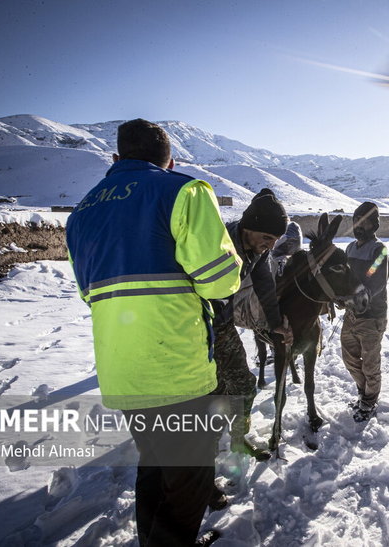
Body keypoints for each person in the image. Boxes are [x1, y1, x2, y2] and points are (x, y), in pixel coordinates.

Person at [65, 119, 242, 546]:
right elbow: (219, 280)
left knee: (155, 463)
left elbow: (88, 293)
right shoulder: (183, 191)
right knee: (191, 480)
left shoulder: (81, 213)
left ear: (115, 159)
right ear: (170, 161)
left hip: (122, 371)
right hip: (176, 367)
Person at [211, 189, 292, 459]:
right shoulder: (217, 241)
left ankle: (237, 437)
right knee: (208, 391)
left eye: (276, 240)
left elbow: (265, 285)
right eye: (267, 237)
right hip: (192, 325)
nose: (271, 245)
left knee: (243, 384)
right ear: (248, 227)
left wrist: (275, 322)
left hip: (221, 323)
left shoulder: (257, 250)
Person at [341, 202, 389, 421]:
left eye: (365, 221)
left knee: (370, 364)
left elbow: (376, 279)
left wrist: (360, 297)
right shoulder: (350, 248)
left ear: (374, 225)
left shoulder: (379, 250)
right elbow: (342, 277)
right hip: (350, 315)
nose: (359, 225)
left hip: (371, 317)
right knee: (350, 359)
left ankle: (369, 402)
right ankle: (363, 394)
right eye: (356, 221)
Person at [251, 220, 303, 368]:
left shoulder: (291, 261)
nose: (290, 245)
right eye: (289, 242)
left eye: (292, 242)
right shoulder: (270, 261)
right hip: (274, 301)